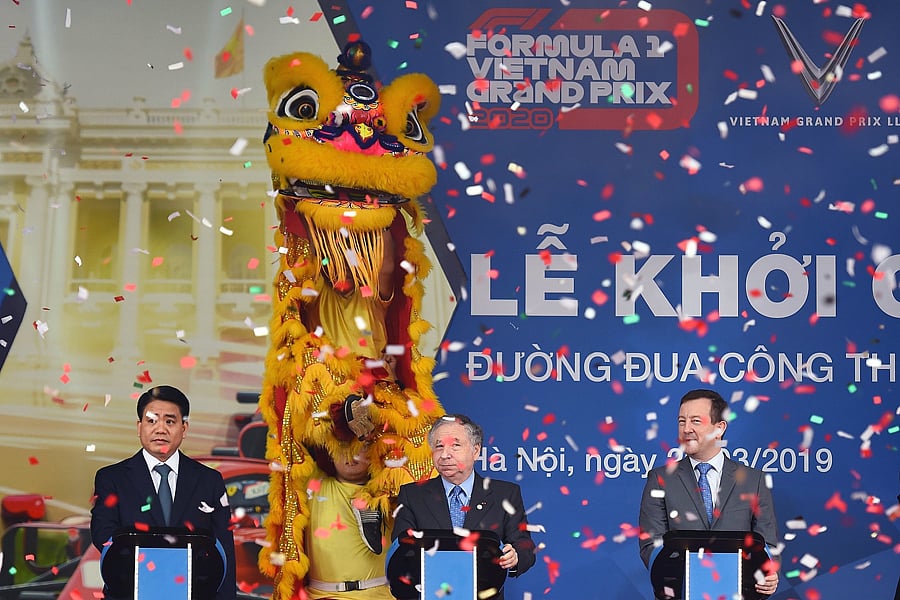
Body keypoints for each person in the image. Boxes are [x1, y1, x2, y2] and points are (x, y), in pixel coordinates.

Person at [90, 385, 236, 600]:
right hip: (130, 592)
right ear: (139, 427)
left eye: (170, 421)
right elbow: (103, 535)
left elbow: (224, 550)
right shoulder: (112, 478)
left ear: (184, 428)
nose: (160, 429)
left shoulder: (209, 480)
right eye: (151, 420)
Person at [639, 389, 780, 597]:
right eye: (681, 421)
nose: (686, 429)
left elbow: (766, 544)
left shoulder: (754, 480)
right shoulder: (660, 479)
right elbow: (651, 545)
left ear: (719, 428)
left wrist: (767, 575)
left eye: (696, 421)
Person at [391, 414, 536, 599]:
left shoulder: (505, 494)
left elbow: (525, 546)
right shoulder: (412, 495)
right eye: (439, 446)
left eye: (455, 445)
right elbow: (401, 550)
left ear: (476, 451)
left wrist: (515, 556)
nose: (445, 454)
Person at [304, 446, 393, 599]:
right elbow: (291, 442)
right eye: (342, 447)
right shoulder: (314, 484)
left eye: (360, 448)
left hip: (379, 595)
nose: (350, 454)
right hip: (322, 596)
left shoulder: (390, 490)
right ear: (330, 454)